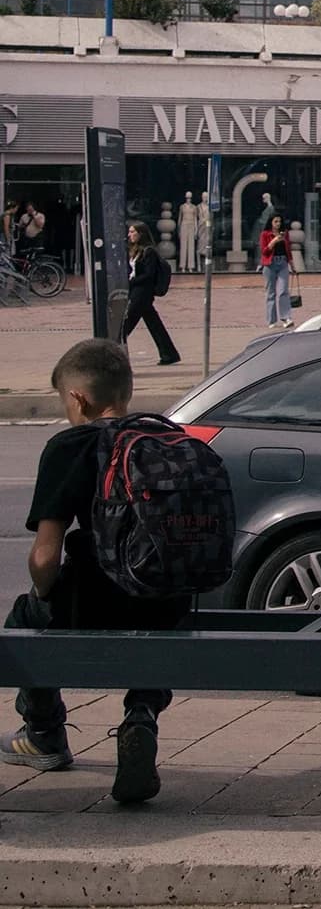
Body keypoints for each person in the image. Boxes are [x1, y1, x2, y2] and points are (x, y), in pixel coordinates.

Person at [2, 341, 185, 803]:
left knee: (26, 619)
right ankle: (141, 711)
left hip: (95, 600)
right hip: (172, 604)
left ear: (78, 398)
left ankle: (43, 733)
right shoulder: (165, 439)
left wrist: (42, 597)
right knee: (154, 610)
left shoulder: (71, 445)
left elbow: (45, 556)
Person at [121, 223, 179, 367]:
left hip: (142, 293)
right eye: (129, 232)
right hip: (137, 291)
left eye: (132, 232)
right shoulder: (134, 250)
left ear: (141, 233)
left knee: (124, 326)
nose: (129, 235)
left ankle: (111, 351)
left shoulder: (149, 252)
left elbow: (148, 275)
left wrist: (131, 282)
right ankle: (169, 354)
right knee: (154, 324)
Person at [260, 212, 294, 329]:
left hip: (283, 263)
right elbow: (264, 251)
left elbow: (288, 249)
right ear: (271, 222)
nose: (278, 224)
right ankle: (271, 320)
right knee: (271, 293)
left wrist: (292, 264)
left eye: (279, 221)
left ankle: (286, 318)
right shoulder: (265, 234)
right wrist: (274, 241)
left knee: (283, 290)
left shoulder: (285, 234)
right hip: (270, 264)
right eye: (275, 221)